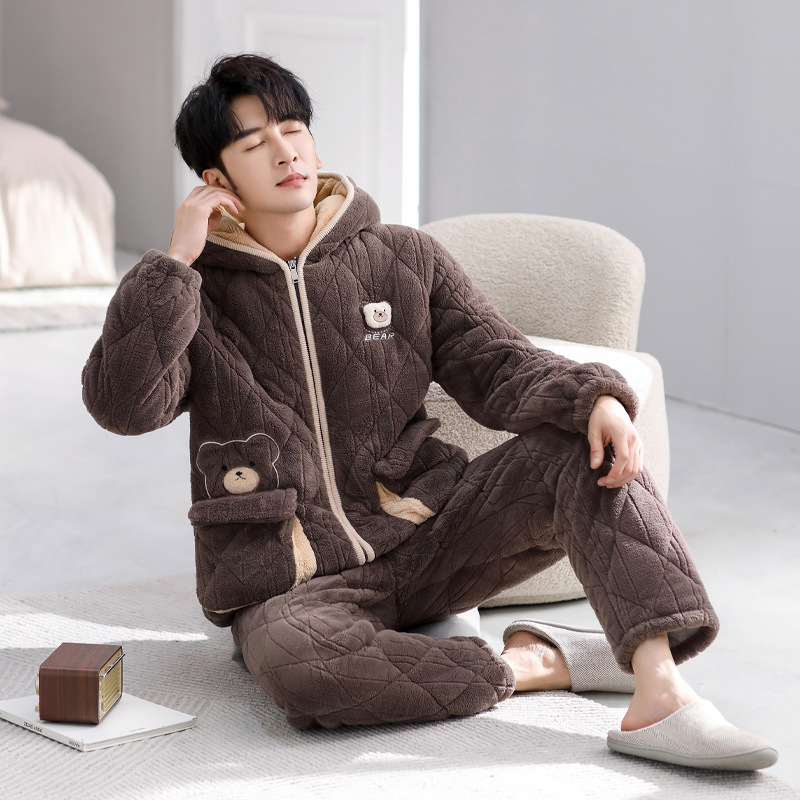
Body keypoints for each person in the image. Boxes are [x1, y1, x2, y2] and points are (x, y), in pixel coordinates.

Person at [83, 54, 776, 770]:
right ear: (217, 182)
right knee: (299, 666)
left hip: (433, 533)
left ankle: (661, 696)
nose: (286, 152)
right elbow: (124, 407)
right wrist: (174, 264)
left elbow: (498, 362)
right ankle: (541, 663)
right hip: (291, 579)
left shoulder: (403, 257)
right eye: (256, 143)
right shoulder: (188, 293)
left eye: (294, 129)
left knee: (581, 444)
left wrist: (592, 395)